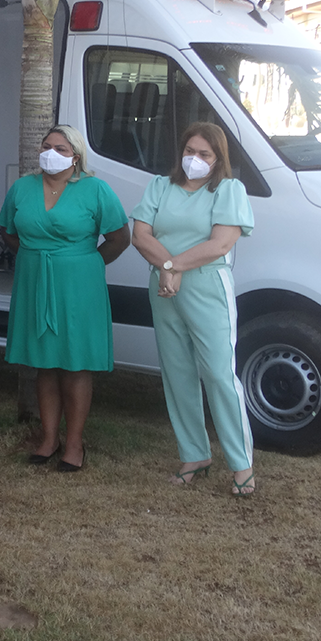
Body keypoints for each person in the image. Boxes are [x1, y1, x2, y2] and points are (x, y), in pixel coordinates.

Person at [130, 121, 257, 496]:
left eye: (204, 154)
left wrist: (172, 267)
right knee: (177, 373)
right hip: (164, 287)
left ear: (218, 158)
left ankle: (242, 464)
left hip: (205, 286)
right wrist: (167, 270)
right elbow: (141, 234)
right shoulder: (160, 186)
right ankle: (194, 455)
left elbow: (220, 244)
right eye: (189, 151)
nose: (194, 159)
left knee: (218, 374)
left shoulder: (229, 191)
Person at [0, 125, 129, 471]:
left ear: (76, 156)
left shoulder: (95, 189)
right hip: (35, 281)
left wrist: (86, 263)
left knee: (75, 363)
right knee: (45, 362)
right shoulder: (22, 188)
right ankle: (48, 438)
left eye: (60, 148)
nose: (51, 153)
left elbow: (120, 237)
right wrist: (33, 257)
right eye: (46, 146)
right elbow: (8, 232)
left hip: (79, 286)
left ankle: (74, 443)